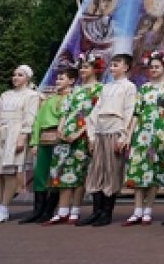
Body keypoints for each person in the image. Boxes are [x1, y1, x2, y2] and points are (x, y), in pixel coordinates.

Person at [79, 52, 138, 227]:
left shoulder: (129, 87)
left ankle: (107, 212)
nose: (113, 68)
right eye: (111, 65)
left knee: (112, 171)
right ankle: (96, 211)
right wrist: (91, 135)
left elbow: (129, 111)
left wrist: (123, 136)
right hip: (100, 131)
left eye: (116, 64)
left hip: (115, 129)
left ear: (126, 67)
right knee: (97, 170)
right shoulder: (106, 87)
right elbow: (95, 111)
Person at [0, 65, 41, 224]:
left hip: (16, 132)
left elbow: (30, 116)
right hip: (0, 133)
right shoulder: (5, 95)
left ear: (27, 78)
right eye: (14, 75)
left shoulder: (32, 96)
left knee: (9, 172)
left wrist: (23, 135)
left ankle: (4, 208)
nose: (15, 77)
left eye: (20, 75)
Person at [46, 55, 104, 225]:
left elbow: (95, 115)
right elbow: (66, 111)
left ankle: (75, 210)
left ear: (95, 69)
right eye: (82, 67)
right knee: (61, 170)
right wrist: (60, 129)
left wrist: (79, 133)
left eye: (86, 67)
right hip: (66, 134)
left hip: (83, 134)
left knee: (78, 173)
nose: (82, 70)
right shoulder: (75, 90)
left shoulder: (99, 89)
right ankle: (62, 210)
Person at [123, 53, 164, 226]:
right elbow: (137, 112)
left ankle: (148, 210)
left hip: (158, 132)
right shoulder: (144, 88)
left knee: (154, 171)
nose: (154, 70)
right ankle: (137, 210)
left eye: (157, 67)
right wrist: (129, 134)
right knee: (138, 170)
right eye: (151, 67)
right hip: (141, 133)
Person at [20, 66, 72, 224]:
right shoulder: (49, 99)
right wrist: (34, 142)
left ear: (71, 81)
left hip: (60, 138)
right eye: (57, 78)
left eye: (62, 78)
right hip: (44, 138)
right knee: (40, 174)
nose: (58, 81)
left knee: (56, 174)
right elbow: (38, 121)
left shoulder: (71, 98)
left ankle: (49, 209)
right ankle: (38, 209)